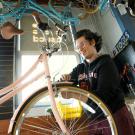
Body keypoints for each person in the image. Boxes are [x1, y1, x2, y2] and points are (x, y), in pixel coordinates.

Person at [60, 29, 135, 135]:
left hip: (115, 116)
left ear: (92, 42)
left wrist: (73, 94)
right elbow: (67, 83)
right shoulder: (80, 68)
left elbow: (101, 99)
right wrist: (64, 80)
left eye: (82, 44)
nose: (80, 49)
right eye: (77, 47)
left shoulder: (106, 63)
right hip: (94, 120)